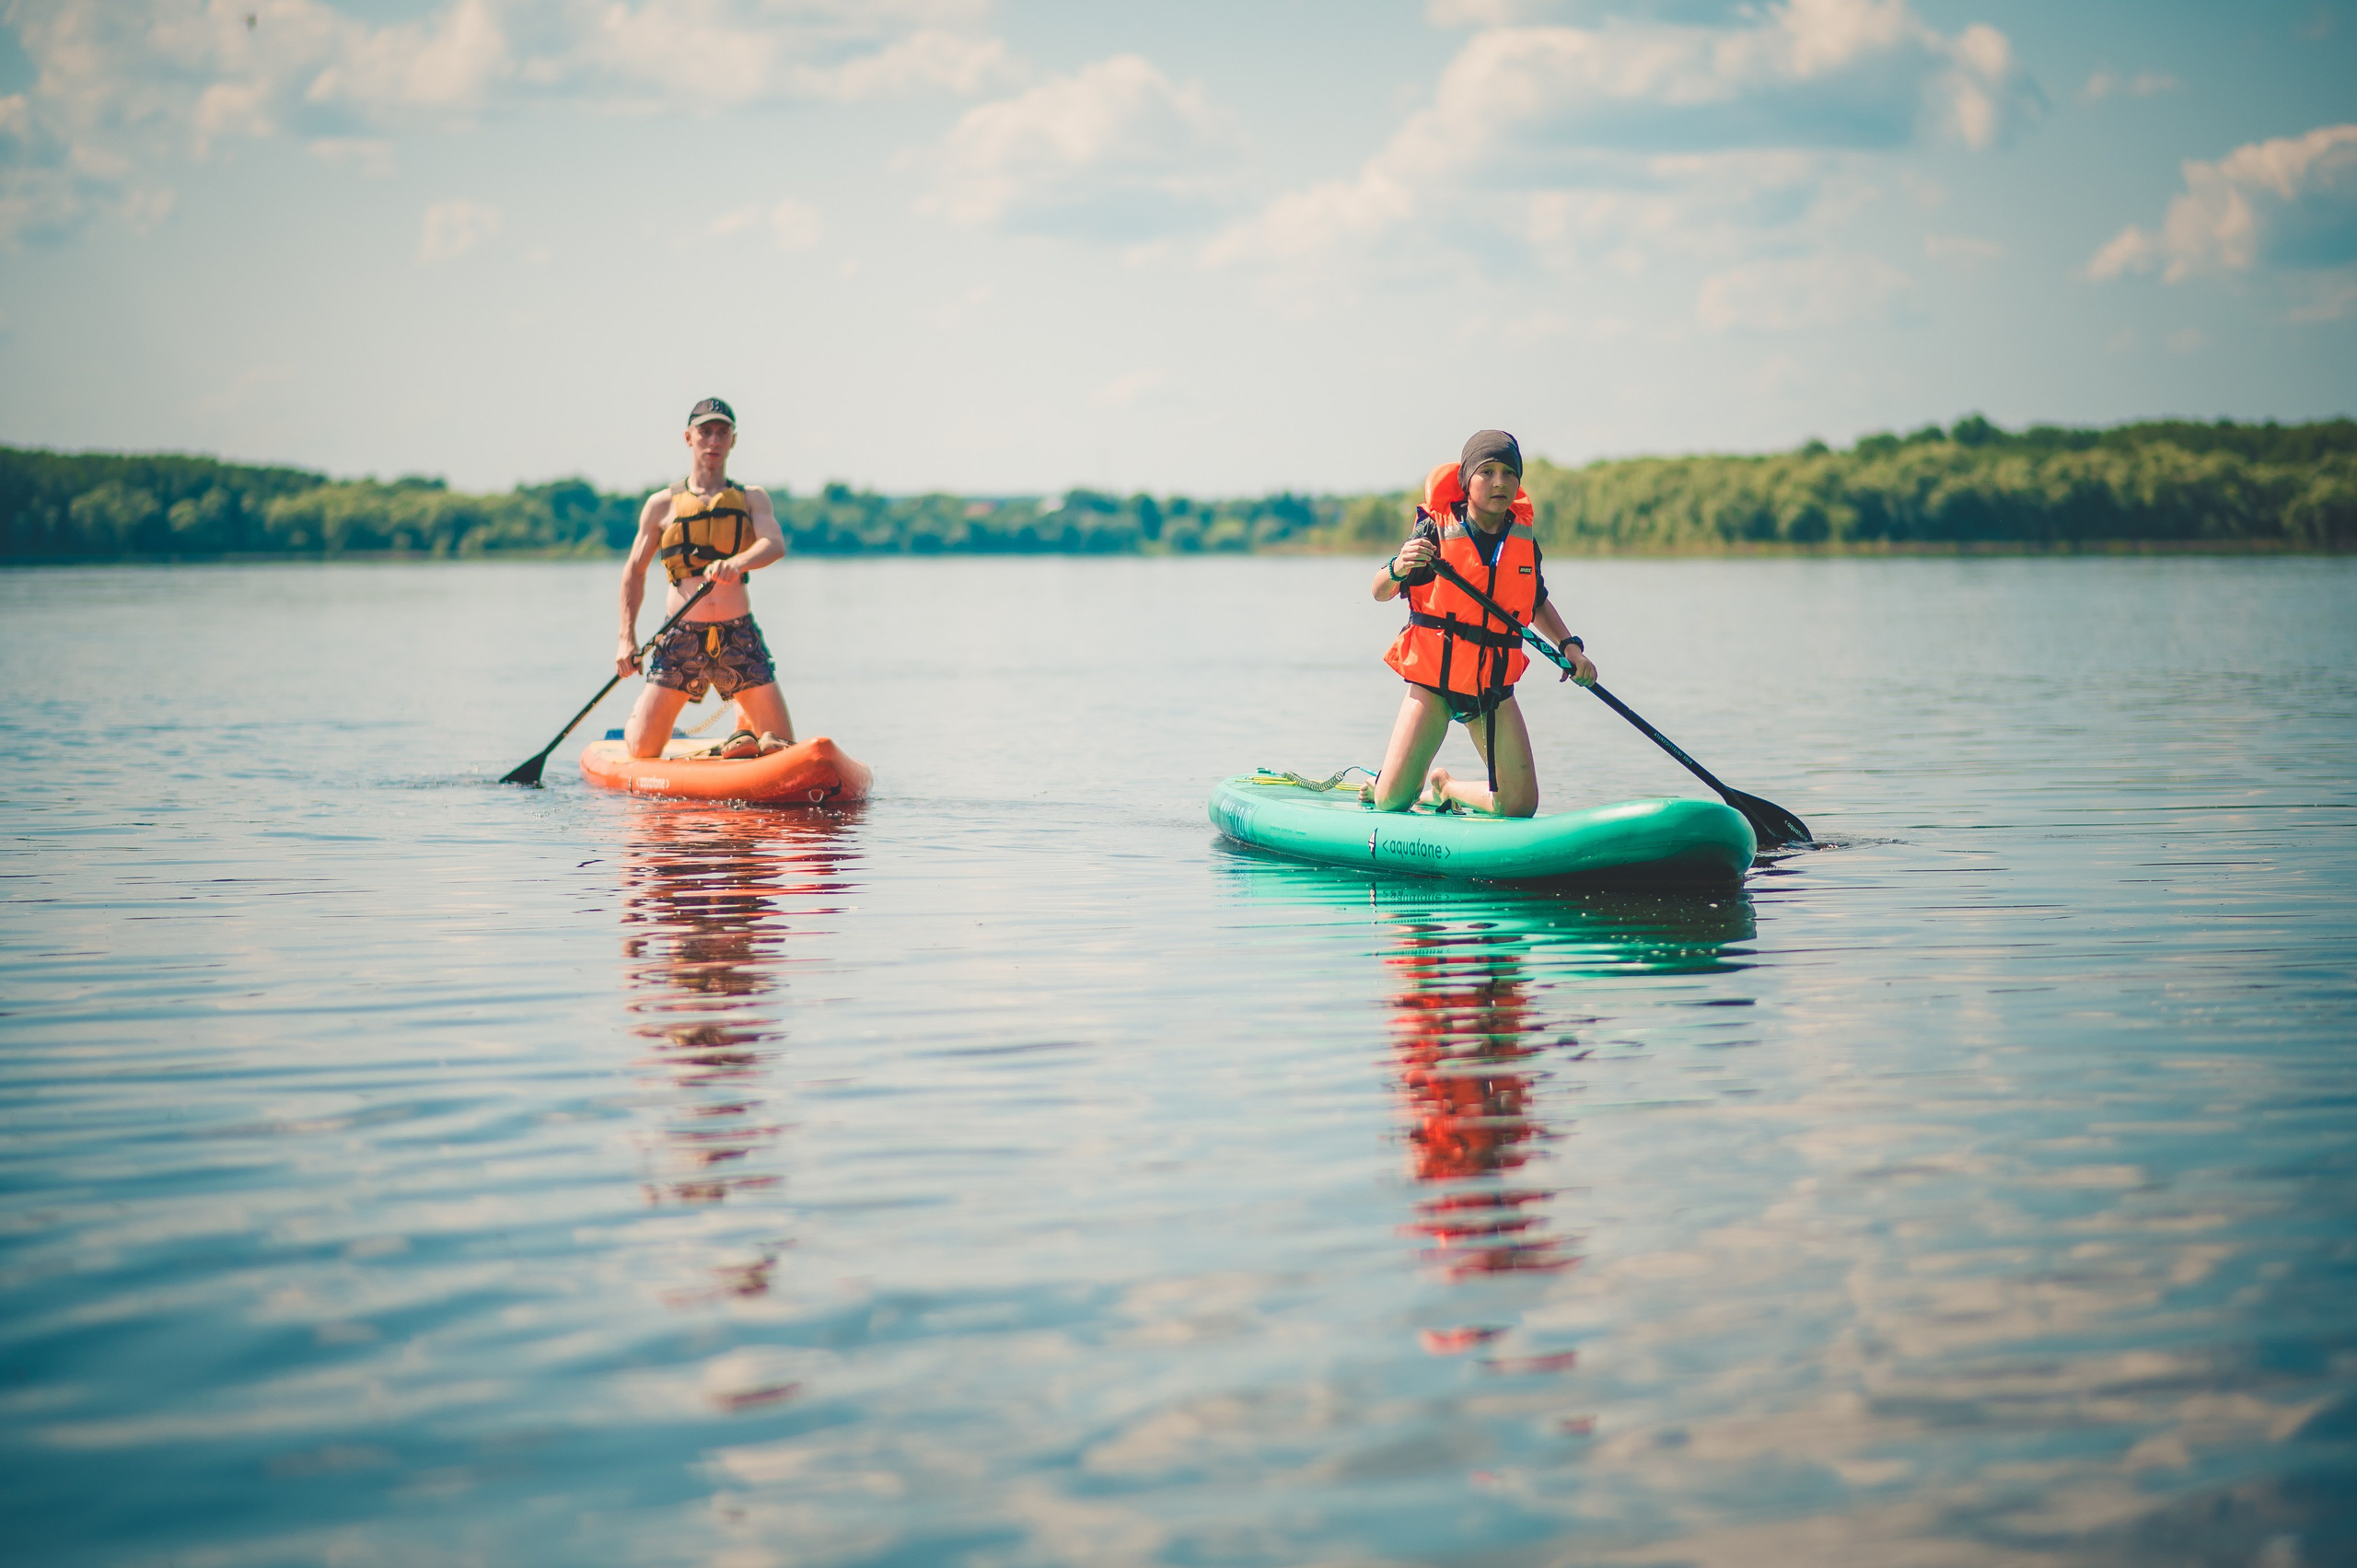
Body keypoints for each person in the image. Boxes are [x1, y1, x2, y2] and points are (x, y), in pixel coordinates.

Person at [1366, 428, 1596, 817]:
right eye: (1486, 472)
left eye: (1509, 473)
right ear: (1466, 481)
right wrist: (1399, 566)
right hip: (1435, 685)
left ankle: (1446, 787)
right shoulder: (1435, 531)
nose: (1499, 482)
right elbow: (1379, 590)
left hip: (1491, 691)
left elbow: (1536, 600)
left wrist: (1569, 646)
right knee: (1391, 803)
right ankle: (1384, 784)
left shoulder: (1522, 542)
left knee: (1519, 806)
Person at [615, 398, 795, 760]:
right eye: (705, 431)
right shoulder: (661, 504)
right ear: (688, 437)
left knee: (782, 748)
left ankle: (743, 721)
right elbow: (634, 572)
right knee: (642, 750)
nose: (714, 440)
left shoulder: (752, 499)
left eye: (722, 432)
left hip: (738, 635)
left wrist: (737, 563)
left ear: (733, 440)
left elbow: (774, 545)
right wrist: (625, 640)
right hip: (681, 636)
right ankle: (645, 719)